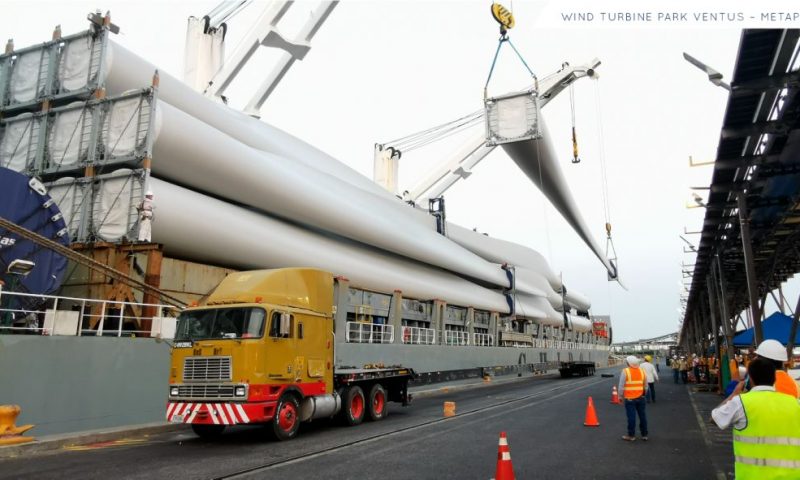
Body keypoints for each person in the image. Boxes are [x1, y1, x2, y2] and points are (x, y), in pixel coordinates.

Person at [711, 357, 800, 479]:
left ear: (750, 379)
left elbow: (715, 419)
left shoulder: (740, 402)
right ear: (774, 378)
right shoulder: (795, 403)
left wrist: (734, 394)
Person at [619, 355, 648, 441]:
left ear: (628, 363)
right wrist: (643, 394)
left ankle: (631, 435)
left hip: (630, 399)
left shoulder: (625, 371)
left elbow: (621, 386)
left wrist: (620, 396)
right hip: (641, 398)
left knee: (631, 417)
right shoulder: (642, 371)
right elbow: (646, 386)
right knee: (642, 416)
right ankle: (644, 435)